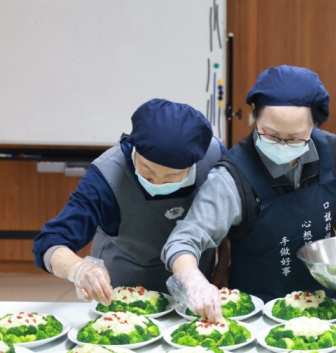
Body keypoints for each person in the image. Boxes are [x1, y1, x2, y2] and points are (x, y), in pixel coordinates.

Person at [162, 66, 336, 321]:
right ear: (255, 115)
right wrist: (195, 282)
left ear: (314, 125)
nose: (282, 145)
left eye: (295, 138)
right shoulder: (231, 176)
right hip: (261, 315)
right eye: (271, 134)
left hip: (328, 304)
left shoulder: (330, 148)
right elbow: (183, 240)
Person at [33, 99, 226, 304]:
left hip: (195, 286)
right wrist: (79, 269)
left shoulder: (213, 157)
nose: (157, 182)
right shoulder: (106, 176)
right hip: (125, 289)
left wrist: (224, 264)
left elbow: (228, 217)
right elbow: (50, 241)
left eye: (172, 177)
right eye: (147, 170)